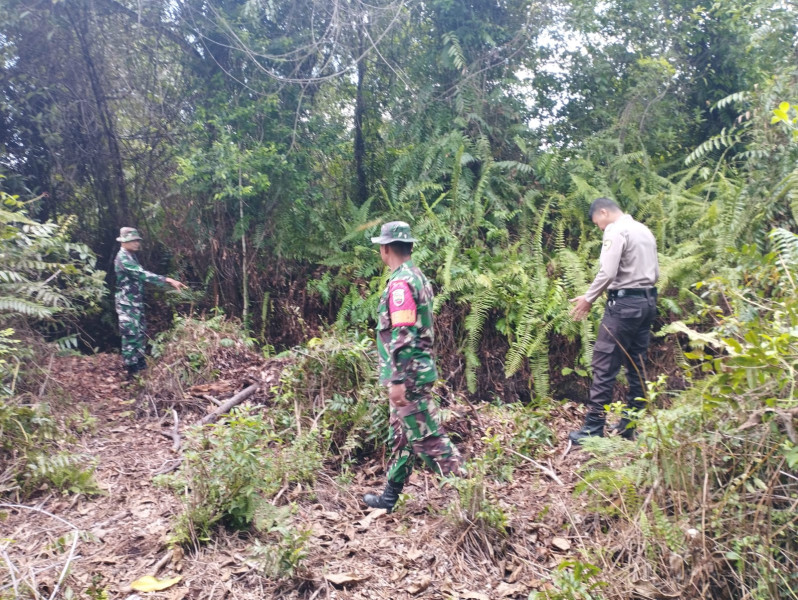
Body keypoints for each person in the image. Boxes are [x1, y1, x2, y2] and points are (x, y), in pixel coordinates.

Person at [363, 221, 464, 513]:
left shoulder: (401, 284)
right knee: (401, 436)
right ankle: (389, 497)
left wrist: (397, 379)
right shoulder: (416, 276)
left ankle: (469, 493)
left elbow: (403, 332)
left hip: (408, 376)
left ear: (385, 249)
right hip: (412, 371)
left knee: (430, 440)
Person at [568, 198, 659, 444]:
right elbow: (655, 272)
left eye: (597, 222)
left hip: (624, 306)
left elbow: (607, 272)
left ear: (604, 212)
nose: (599, 227)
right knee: (637, 366)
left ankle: (593, 429)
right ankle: (629, 425)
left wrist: (588, 298)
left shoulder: (616, 230)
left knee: (604, 365)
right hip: (648, 303)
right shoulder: (643, 230)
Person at [114, 227, 185, 378]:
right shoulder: (123, 258)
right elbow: (142, 274)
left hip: (135, 303)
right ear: (124, 241)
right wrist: (167, 280)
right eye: (133, 240)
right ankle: (132, 370)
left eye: (137, 240)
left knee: (140, 333)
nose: (136, 243)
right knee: (130, 335)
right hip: (127, 305)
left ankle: (140, 364)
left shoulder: (131, 256)